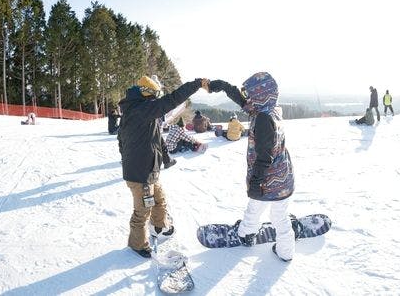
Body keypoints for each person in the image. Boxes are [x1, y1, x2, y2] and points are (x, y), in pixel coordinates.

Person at [118, 75, 210, 258]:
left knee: (159, 198)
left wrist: (165, 159)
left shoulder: (141, 111)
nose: (157, 100)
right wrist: (196, 84)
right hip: (140, 173)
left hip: (149, 168)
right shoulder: (141, 110)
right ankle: (137, 244)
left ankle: (159, 227)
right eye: (155, 96)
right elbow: (172, 99)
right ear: (148, 94)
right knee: (143, 209)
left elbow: (154, 138)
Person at [209, 72, 295, 262]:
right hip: (283, 176)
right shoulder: (270, 110)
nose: (246, 100)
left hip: (267, 178)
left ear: (260, 96)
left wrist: (256, 181)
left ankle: (247, 233)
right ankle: (286, 250)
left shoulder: (263, 119)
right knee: (279, 213)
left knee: (256, 208)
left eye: (250, 96)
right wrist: (223, 86)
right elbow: (244, 102)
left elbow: (264, 156)